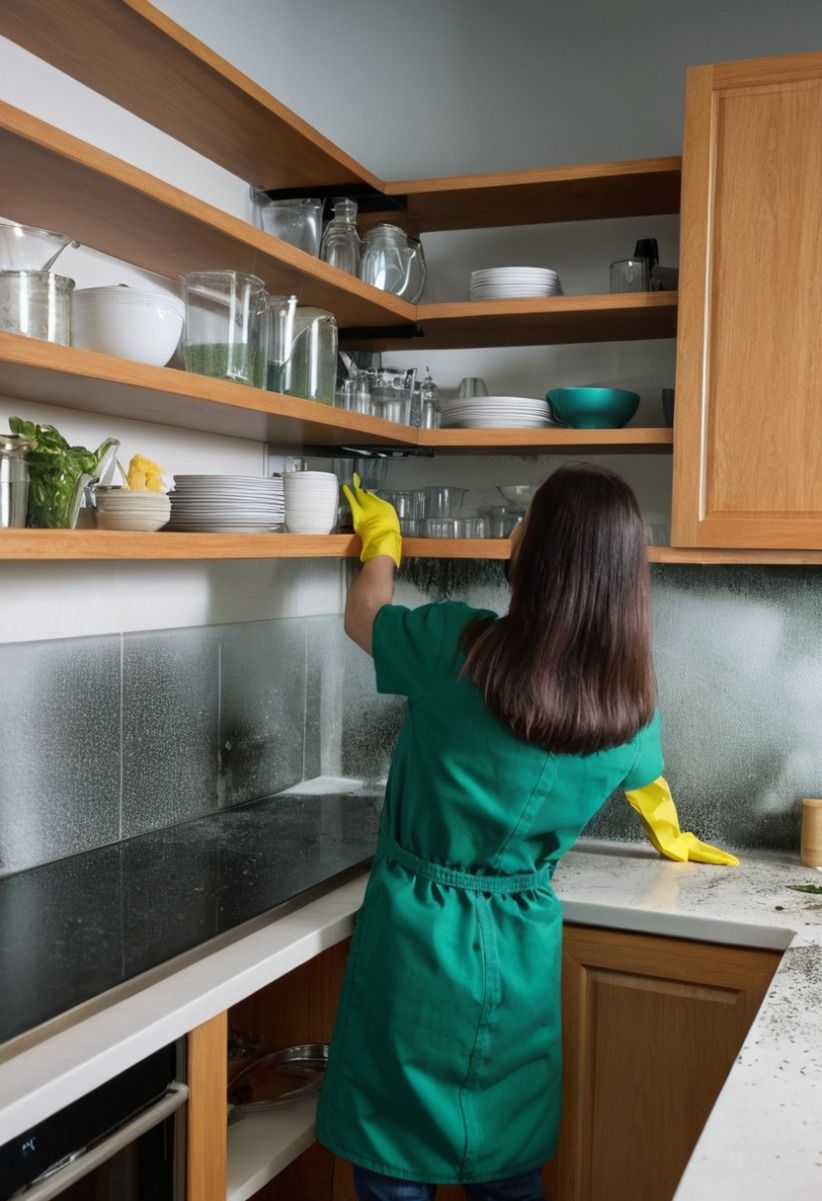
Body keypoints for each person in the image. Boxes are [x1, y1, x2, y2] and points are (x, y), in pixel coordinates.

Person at [317, 464, 737, 1201]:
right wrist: (672, 834)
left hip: (416, 943)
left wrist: (381, 543)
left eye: (527, 520)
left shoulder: (455, 644)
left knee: (391, 1169)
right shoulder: (629, 709)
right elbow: (648, 782)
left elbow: (364, 617)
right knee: (507, 1168)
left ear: (538, 555)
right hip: (520, 960)